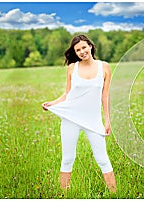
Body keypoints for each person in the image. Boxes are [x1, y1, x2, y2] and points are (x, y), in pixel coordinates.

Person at [42, 34, 116, 192]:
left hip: (93, 120)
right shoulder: (72, 68)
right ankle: (65, 195)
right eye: (78, 50)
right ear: (75, 53)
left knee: (102, 158)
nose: (82, 51)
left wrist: (107, 120)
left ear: (90, 46)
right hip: (71, 118)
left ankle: (114, 194)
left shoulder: (104, 67)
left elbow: (105, 96)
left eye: (84, 47)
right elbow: (67, 94)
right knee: (68, 158)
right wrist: (52, 103)